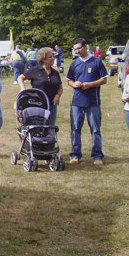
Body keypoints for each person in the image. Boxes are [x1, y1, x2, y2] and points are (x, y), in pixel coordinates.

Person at [66, 37, 108, 165]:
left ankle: (97, 155)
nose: (77, 51)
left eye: (79, 48)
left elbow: (104, 80)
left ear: (85, 47)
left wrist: (90, 84)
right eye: (75, 49)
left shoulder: (96, 61)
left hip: (92, 102)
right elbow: (69, 80)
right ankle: (75, 155)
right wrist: (74, 84)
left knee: (95, 129)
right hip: (77, 102)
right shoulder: (74, 63)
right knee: (75, 128)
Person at [18, 47, 63, 125]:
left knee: (50, 128)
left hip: (52, 106)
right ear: (43, 59)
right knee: (38, 128)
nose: (53, 58)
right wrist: (23, 89)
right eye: (50, 57)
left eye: (53, 56)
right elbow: (20, 78)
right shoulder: (35, 70)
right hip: (37, 105)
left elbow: (60, 88)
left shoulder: (55, 73)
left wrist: (58, 95)